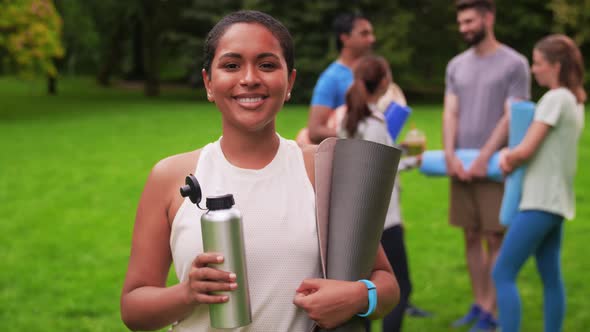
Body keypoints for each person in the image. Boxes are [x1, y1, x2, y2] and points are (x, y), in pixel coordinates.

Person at [120, 10, 399, 332]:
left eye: (267, 65)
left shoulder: (322, 169)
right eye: (231, 65)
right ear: (209, 82)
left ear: (290, 81)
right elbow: (133, 308)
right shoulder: (171, 177)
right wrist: (187, 294)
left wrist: (359, 296)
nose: (250, 78)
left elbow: (387, 283)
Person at [443, 0, 531, 330]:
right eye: (460, 22)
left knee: (495, 237)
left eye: (469, 21)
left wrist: (483, 157)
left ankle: (492, 312)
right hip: (460, 165)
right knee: (470, 235)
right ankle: (480, 304)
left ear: (488, 17)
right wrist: (450, 154)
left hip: (495, 166)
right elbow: (450, 111)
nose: (463, 28)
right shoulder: (456, 65)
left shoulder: (515, 64)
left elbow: (513, 115)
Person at [493, 34, 586, 332]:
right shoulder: (574, 100)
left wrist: (507, 156)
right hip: (557, 203)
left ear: (556, 66)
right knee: (550, 276)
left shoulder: (555, 99)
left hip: (539, 202)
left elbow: (526, 149)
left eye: (538, 63)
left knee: (502, 272)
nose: (534, 69)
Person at [338, 55, 420, 332]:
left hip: (355, 220)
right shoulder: (374, 122)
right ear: (384, 81)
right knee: (398, 290)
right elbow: (378, 171)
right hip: (382, 222)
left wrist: (404, 155)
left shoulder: (350, 118)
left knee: (365, 291)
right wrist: (409, 161)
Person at [296, 13, 375, 145]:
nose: (372, 39)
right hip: (348, 160)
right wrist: (358, 136)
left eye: (371, 33)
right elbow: (315, 131)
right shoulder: (331, 78)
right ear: (345, 38)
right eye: (364, 34)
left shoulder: (371, 73)